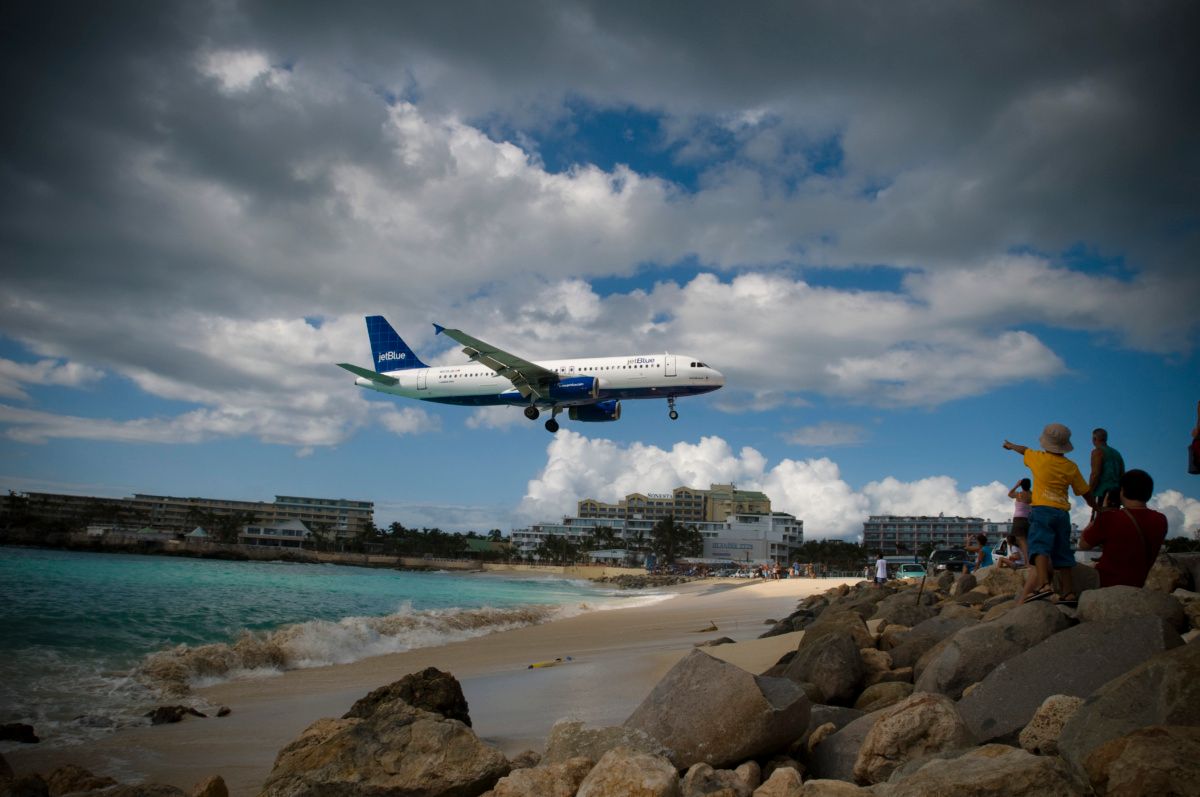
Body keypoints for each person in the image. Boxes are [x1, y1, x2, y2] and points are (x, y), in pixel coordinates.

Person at [1003, 423, 1095, 604]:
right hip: (1062, 514)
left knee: (1039, 547)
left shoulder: (1038, 458)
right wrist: (1096, 507)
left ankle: (1044, 584)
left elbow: (1024, 450)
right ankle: (1069, 593)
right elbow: (1085, 491)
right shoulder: (1071, 467)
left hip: (1042, 511)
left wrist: (1011, 445)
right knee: (1063, 552)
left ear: (1045, 443)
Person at [1079, 469, 1168, 588]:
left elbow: (1083, 545)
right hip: (1137, 584)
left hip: (1104, 583)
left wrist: (1101, 514)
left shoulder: (1109, 518)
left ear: (1122, 491)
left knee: (1060, 566)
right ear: (1149, 493)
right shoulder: (1161, 520)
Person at [1088, 428, 1125, 509]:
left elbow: (1095, 474)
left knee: (1101, 519)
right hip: (1116, 494)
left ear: (1094, 439)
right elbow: (1123, 475)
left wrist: (1089, 493)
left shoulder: (1097, 452)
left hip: (1102, 493)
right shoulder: (1117, 454)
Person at [1008, 477, 1032, 566]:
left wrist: (1016, 485)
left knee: (1018, 541)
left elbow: (1009, 494)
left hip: (1018, 520)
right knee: (1024, 541)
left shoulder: (1019, 494)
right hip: (1027, 520)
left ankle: (1026, 562)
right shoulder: (1032, 495)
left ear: (1021, 486)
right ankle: (1025, 560)